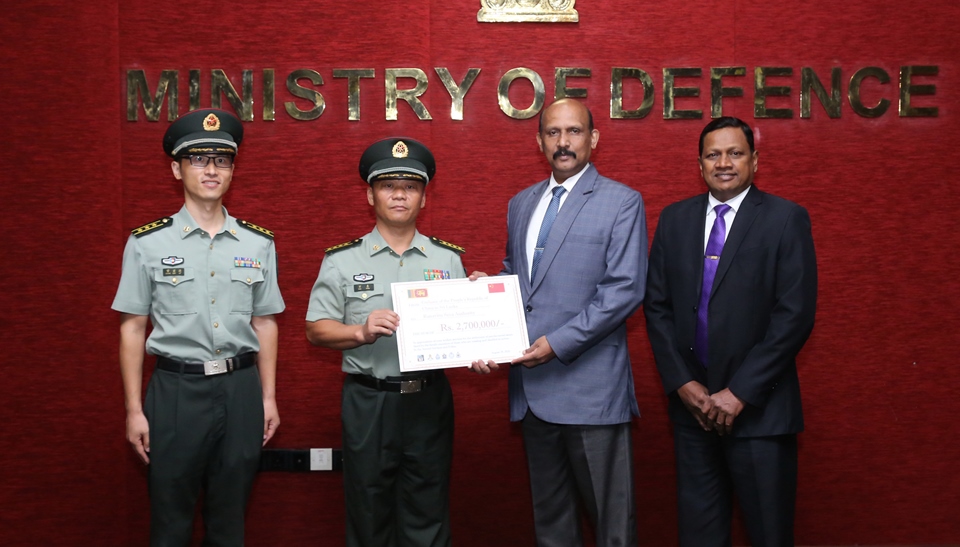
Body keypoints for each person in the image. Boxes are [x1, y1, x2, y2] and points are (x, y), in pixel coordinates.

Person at [475, 98, 647, 546]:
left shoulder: (622, 201)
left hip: (590, 388)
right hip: (532, 393)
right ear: (539, 141)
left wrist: (556, 343)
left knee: (611, 524)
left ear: (593, 139)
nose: (563, 142)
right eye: (553, 133)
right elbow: (518, 279)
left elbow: (623, 290)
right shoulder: (521, 203)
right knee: (552, 523)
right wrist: (482, 295)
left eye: (573, 132)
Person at [113, 108, 285, 546]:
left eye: (222, 160)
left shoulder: (258, 242)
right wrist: (134, 409)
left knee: (230, 520)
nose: (211, 169)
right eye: (198, 159)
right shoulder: (147, 243)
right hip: (175, 392)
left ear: (232, 169)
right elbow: (133, 327)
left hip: (241, 388)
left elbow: (265, 322)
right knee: (170, 520)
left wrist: (267, 398)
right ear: (176, 168)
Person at [643, 116, 818, 547]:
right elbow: (657, 307)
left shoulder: (785, 218)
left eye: (735, 153)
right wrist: (682, 383)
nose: (724, 163)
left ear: (754, 161)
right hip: (693, 414)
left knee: (768, 535)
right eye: (713, 154)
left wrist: (739, 392)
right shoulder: (674, 219)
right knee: (698, 536)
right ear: (699, 163)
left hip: (760, 412)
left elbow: (794, 315)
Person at [305, 137, 467, 547]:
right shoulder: (341, 259)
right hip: (369, 401)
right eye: (388, 185)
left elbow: (464, 331)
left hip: (429, 399)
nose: (399, 194)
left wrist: (480, 336)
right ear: (370, 194)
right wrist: (359, 331)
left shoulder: (447, 259)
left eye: (410, 186)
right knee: (368, 510)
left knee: (428, 511)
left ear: (424, 198)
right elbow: (316, 329)